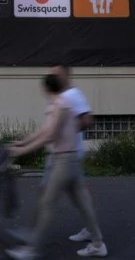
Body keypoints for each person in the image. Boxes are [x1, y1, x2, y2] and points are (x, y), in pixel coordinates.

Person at [6, 74, 108, 259]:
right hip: (71, 160)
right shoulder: (61, 104)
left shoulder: (59, 106)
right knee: (82, 203)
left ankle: (30, 250)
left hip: (63, 161)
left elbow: (50, 135)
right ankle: (98, 244)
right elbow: (45, 130)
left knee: (47, 204)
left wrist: (22, 151)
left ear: (46, 88)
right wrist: (22, 142)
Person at [52, 64, 101, 245]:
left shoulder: (73, 95)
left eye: (57, 75)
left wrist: (67, 132)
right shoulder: (62, 96)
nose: (53, 78)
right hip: (65, 153)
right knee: (79, 196)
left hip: (69, 154)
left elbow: (87, 120)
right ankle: (93, 234)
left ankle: (96, 239)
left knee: (49, 196)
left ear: (66, 76)